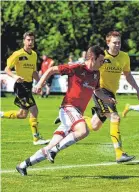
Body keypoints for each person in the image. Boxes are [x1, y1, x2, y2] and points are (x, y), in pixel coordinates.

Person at [16, 45, 116, 176]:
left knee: (49, 147)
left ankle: (23, 165)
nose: (102, 64)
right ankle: (54, 151)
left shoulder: (96, 74)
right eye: (100, 61)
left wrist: (107, 98)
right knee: (83, 131)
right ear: (92, 58)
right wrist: (40, 84)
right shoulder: (77, 68)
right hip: (68, 108)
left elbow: (97, 91)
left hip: (75, 114)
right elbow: (52, 69)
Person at [85, 31, 139, 163]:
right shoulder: (102, 57)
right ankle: (119, 154)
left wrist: (138, 89)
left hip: (111, 93)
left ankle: (76, 119)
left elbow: (128, 75)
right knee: (115, 117)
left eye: (119, 42)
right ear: (108, 43)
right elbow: (90, 70)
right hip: (100, 91)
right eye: (114, 42)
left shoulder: (124, 57)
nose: (117, 45)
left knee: (95, 125)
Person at [0, 32, 50, 145]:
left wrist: (41, 82)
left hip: (28, 86)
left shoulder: (34, 55)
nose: (30, 42)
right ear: (24, 41)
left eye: (32, 40)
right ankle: (36, 138)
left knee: (22, 115)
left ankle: (1, 114)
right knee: (34, 110)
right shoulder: (18, 54)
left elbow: (34, 72)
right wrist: (15, 76)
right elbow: (7, 69)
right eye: (28, 40)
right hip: (20, 86)